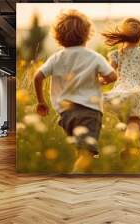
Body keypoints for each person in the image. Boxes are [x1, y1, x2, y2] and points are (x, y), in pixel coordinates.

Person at [33, 10, 117, 171]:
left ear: (58, 36)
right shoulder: (94, 57)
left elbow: (37, 77)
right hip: (89, 112)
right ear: (87, 34)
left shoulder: (56, 57)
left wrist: (41, 102)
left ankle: (82, 177)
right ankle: (76, 178)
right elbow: (112, 76)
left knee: (81, 149)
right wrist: (100, 81)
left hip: (66, 114)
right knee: (88, 153)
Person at [101, 18, 140, 154]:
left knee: (138, 122)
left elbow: (109, 74)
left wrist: (101, 81)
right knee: (137, 123)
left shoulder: (117, 54)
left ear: (122, 36)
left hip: (121, 93)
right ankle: (129, 147)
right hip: (138, 93)